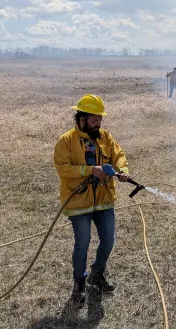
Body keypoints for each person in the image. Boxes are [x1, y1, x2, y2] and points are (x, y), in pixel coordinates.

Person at [53, 94, 130, 306]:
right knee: (83, 243)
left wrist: (122, 170)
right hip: (79, 202)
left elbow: (118, 155)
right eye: (94, 120)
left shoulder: (105, 137)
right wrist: (90, 170)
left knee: (108, 240)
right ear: (81, 119)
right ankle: (78, 284)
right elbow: (63, 168)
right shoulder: (66, 141)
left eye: (100, 120)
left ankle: (97, 273)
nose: (98, 124)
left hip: (104, 199)